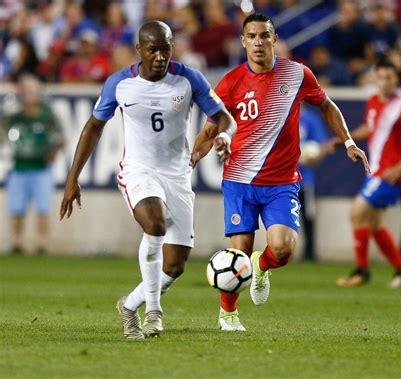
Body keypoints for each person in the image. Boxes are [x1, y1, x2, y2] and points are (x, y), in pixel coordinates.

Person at [191, 13, 369, 331]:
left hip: (282, 182)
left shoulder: (297, 74)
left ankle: (262, 266)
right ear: (243, 41)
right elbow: (209, 130)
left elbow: (327, 105)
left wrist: (348, 142)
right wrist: (192, 158)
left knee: (283, 249)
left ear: (274, 39)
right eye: (252, 37)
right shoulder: (231, 82)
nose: (258, 42)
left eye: (264, 36)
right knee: (239, 253)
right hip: (239, 180)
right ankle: (228, 315)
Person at [59, 21, 236, 339]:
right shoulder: (119, 83)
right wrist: (73, 178)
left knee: (175, 266)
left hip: (178, 175)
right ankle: (153, 312)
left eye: (165, 48)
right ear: (139, 49)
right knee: (156, 224)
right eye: (153, 49)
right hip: (138, 171)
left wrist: (223, 134)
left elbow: (224, 117)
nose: (159, 56)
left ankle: (129, 305)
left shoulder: (188, 78)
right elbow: (93, 127)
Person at [336, 60, 401, 289]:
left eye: (389, 78)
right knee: (375, 224)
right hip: (375, 172)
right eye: (381, 77)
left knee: (356, 213)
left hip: (389, 175)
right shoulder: (374, 102)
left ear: (396, 81)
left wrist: (399, 168)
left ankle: (361, 271)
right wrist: (344, 140)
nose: (384, 82)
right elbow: (370, 128)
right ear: (376, 79)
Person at [2, 75, 63, 255]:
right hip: (19, 166)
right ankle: (16, 242)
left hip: (41, 168)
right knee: (16, 208)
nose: (30, 95)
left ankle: (42, 243)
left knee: (43, 208)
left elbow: (59, 137)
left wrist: (52, 152)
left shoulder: (47, 114)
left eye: (32, 91)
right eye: (26, 91)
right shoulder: (14, 115)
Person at [298, 106, 334, 261]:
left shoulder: (311, 119)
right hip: (281, 177)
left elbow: (323, 144)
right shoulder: (279, 113)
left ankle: (309, 251)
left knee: (308, 215)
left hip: (305, 178)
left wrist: (317, 156)